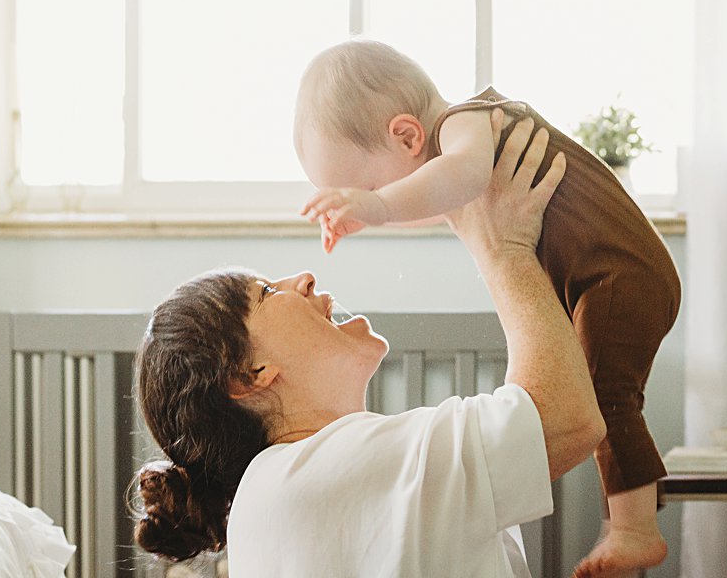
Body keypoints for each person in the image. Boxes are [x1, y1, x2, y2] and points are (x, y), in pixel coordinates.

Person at [133, 111, 603, 577]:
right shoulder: (317, 475)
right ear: (249, 373)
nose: (303, 277)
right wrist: (506, 249)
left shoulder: (290, 483)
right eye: (267, 292)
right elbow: (566, 419)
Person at [296, 39, 680, 578]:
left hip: (623, 275)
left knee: (607, 395)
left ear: (407, 135)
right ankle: (632, 521)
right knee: (603, 391)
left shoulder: (466, 124)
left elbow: (461, 180)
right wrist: (375, 210)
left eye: (371, 184)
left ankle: (637, 530)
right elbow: (441, 196)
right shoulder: (456, 151)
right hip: (602, 279)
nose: (383, 199)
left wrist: (380, 207)